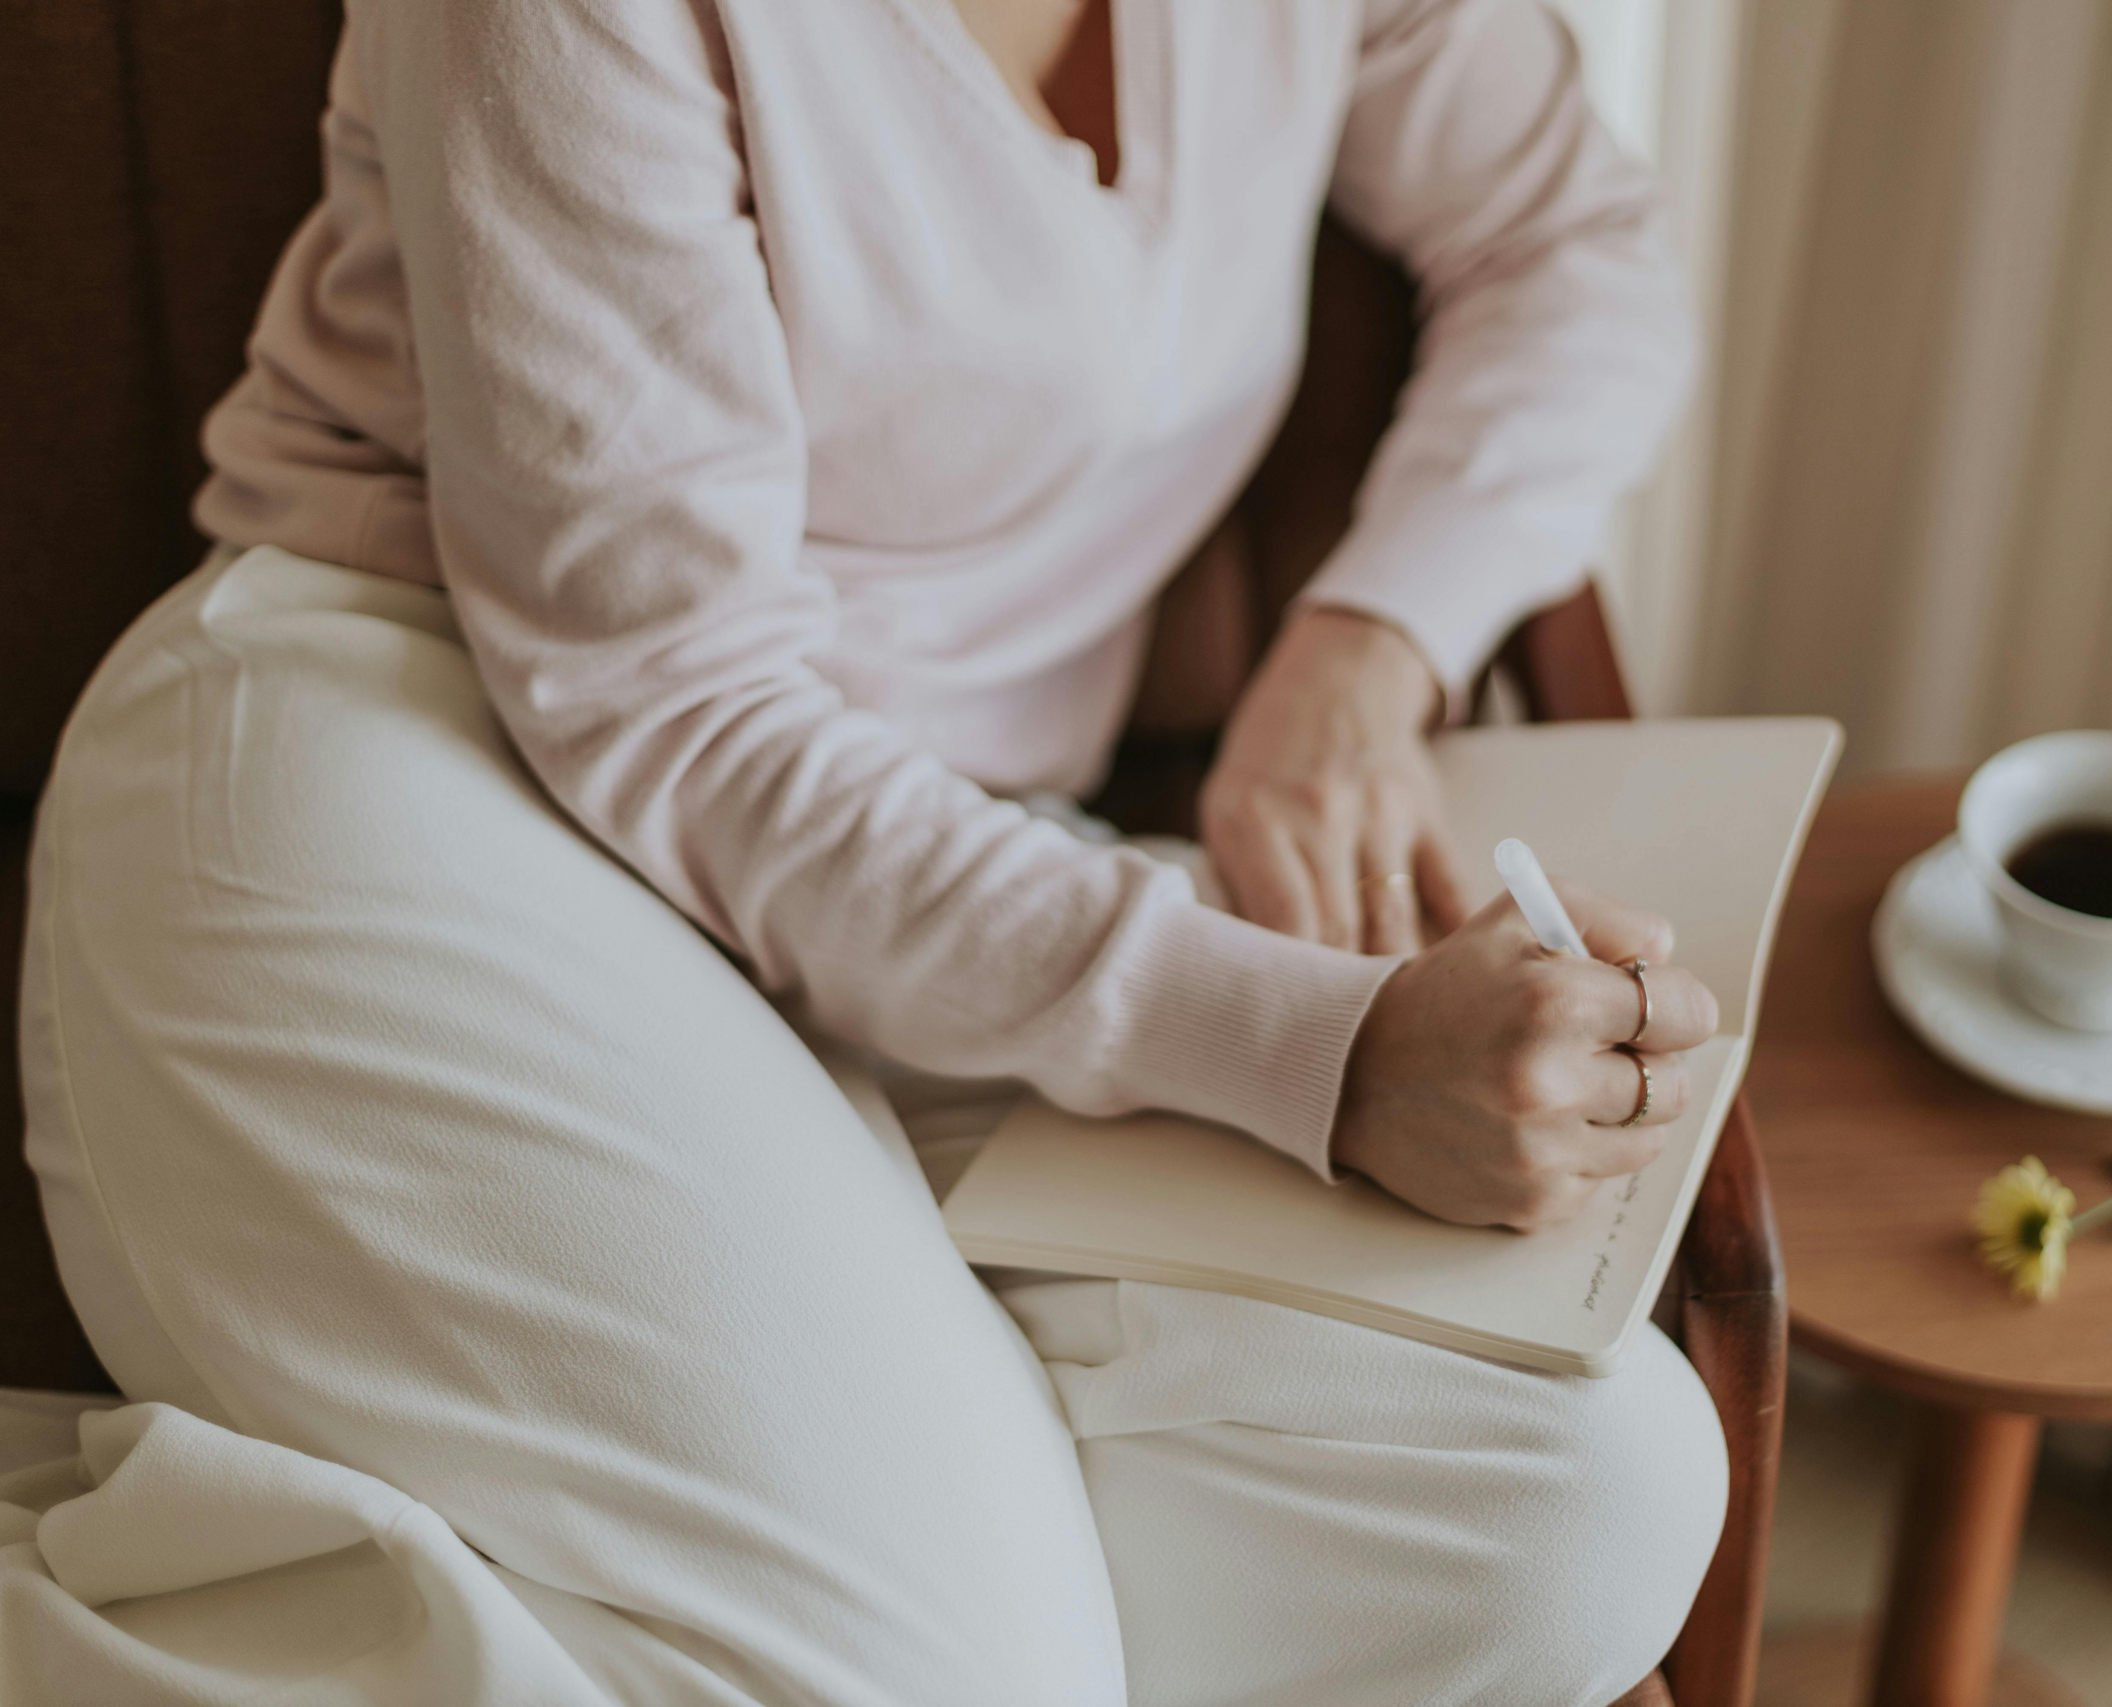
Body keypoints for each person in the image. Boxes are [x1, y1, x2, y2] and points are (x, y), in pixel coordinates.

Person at [18, 1, 1724, 1701]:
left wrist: (1366, 647)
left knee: (1581, 1503)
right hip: (416, 761)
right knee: (951, 1677)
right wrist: (1315, 1052)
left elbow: (1573, 240)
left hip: (943, 877)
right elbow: (674, 708)